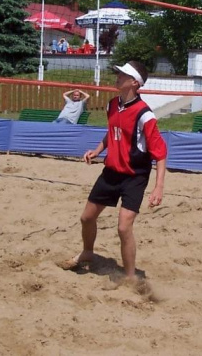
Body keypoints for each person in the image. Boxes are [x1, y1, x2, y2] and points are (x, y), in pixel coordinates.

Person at [62, 61, 167, 280]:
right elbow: (112, 133)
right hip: (111, 171)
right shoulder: (112, 105)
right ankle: (88, 252)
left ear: (134, 83)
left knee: (123, 227)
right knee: (86, 218)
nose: (117, 76)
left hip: (135, 176)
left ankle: (130, 276)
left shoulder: (145, 115)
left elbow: (160, 152)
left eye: (122, 74)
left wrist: (158, 187)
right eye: (118, 73)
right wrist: (97, 150)